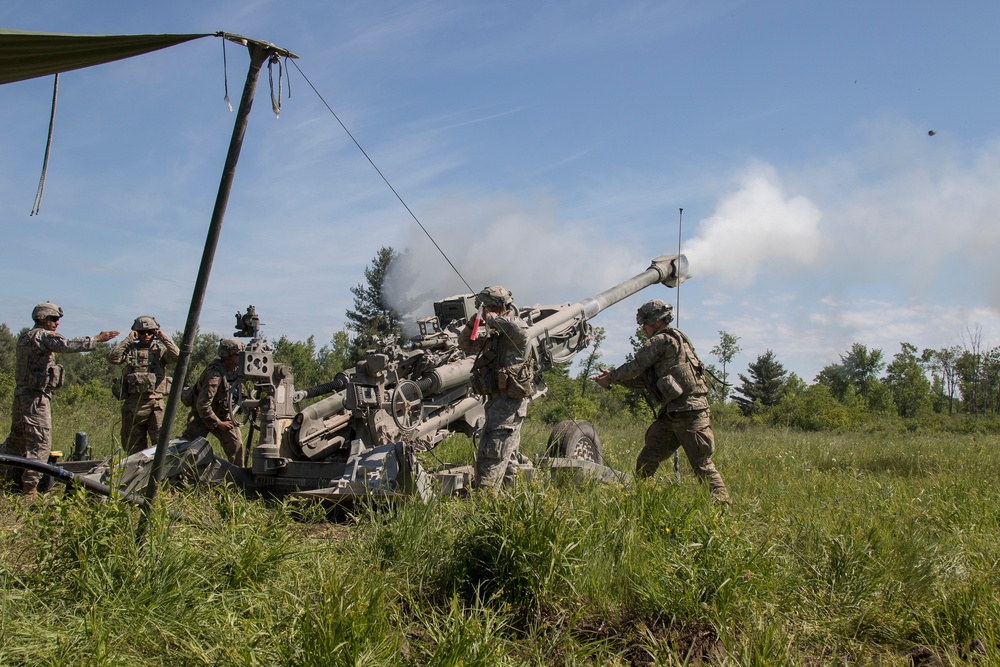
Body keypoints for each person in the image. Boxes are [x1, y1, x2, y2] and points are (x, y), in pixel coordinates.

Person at [594, 299, 730, 503]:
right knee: (646, 461)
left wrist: (612, 377)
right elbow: (643, 379)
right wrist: (614, 380)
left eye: (645, 324)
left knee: (702, 465)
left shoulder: (661, 341)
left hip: (690, 414)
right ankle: (646, 502)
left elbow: (635, 366)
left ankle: (722, 509)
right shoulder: (671, 342)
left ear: (656, 322)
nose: (643, 329)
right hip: (672, 414)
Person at [0, 302, 119, 497]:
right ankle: (29, 490)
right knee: (40, 443)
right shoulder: (43, 336)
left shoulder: (25, 337)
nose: (57, 323)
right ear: (41, 319)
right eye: (53, 319)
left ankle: (3, 474)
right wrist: (97, 339)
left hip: (22, 395)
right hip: (36, 398)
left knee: (17, 441)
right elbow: (66, 345)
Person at [459, 285, 535, 489]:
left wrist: (489, 316)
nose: (484, 313)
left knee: (491, 456)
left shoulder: (517, 329)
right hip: (495, 403)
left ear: (501, 307)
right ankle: (506, 505)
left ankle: (484, 506)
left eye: (488, 307)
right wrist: (474, 321)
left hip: (508, 405)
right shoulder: (494, 337)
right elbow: (465, 343)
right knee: (507, 459)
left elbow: (514, 326)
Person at [107, 315, 180, 455]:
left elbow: (178, 356)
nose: (145, 335)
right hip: (132, 406)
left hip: (155, 404)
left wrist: (164, 337)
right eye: (141, 332)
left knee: (161, 447)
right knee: (133, 450)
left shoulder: (160, 351)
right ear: (136, 333)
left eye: (150, 332)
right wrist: (128, 339)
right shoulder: (129, 351)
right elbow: (112, 357)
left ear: (155, 333)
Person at [181, 337, 246, 467]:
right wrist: (218, 423)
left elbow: (239, 395)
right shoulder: (214, 375)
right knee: (186, 448)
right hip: (203, 416)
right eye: (238, 355)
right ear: (227, 356)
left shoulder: (235, 372)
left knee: (237, 447)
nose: (241, 358)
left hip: (223, 414)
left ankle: (237, 480)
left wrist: (250, 405)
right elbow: (203, 405)